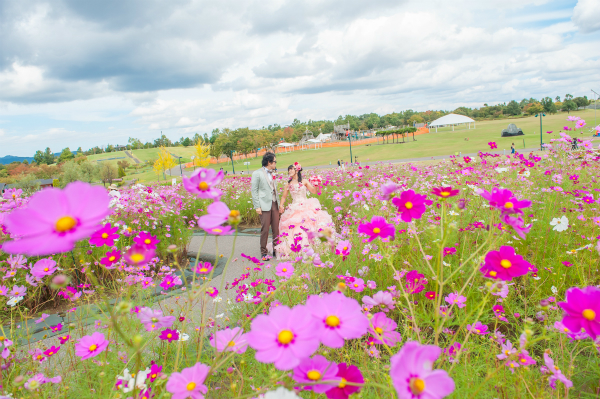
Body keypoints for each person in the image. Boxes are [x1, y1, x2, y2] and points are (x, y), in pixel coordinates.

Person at [273, 163, 334, 259]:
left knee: (309, 224)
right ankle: (295, 248)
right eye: (288, 170)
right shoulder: (288, 183)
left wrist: (316, 184)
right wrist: (281, 205)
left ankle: (314, 245)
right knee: (294, 226)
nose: (289, 171)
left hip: (306, 205)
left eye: (291, 169)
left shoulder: (304, 181)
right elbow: (284, 196)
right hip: (294, 207)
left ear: (297, 170)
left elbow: (314, 191)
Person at [251, 153, 280, 261]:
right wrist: (257, 206)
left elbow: (274, 188)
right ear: (269, 162)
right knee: (265, 229)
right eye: (275, 161)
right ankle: (263, 252)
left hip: (274, 203)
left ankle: (276, 250)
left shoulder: (273, 173)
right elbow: (254, 191)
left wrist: (279, 203)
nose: (276, 163)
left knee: (276, 229)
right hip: (263, 205)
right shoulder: (257, 173)